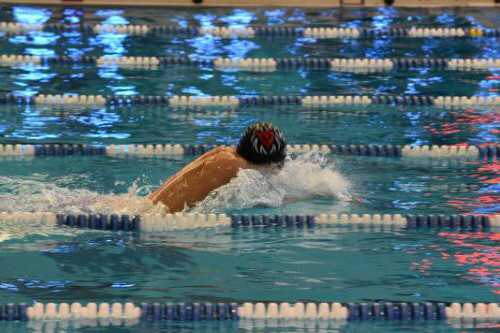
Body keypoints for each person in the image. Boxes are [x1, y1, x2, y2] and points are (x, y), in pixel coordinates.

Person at [148, 122, 287, 213]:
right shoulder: (236, 168)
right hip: (160, 220)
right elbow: (266, 201)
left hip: (145, 207)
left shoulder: (223, 153)